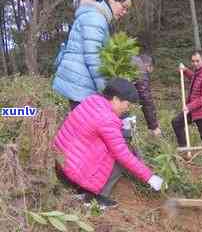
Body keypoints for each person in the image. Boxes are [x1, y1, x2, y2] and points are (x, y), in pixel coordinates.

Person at [54, 78, 164, 209]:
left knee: (114, 148)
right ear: (116, 99)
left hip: (60, 161)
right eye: (127, 104)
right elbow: (123, 155)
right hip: (73, 171)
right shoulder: (107, 119)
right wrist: (150, 177)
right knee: (119, 157)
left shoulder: (92, 100)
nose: (126, 109)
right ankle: (92, 197)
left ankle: (85, 192)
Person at [52, 0, 134, 110]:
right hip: (81, 86)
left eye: (127, 9)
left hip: (80, 83)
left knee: (81, 124)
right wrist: (107, 93)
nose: (124, 12)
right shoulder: (96, 18)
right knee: (83, 126)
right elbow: (94, 59)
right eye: (123, 6)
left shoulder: (97, 16)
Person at [172, 50, 202, 147]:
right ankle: (184, 148)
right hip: (194, 109)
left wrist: (189, 106)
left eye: (197, 61)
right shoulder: (199, 72)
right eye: (193, 61)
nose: (195, 63)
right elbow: (194, 78)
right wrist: (185, 70)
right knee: (176, 122)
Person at [130, 54, 162, 137]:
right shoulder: (141, 70)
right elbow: (146, 100)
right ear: (149, 66)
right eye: (150, 71)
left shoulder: (132, 59)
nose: (149, 73)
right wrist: (154, 126)